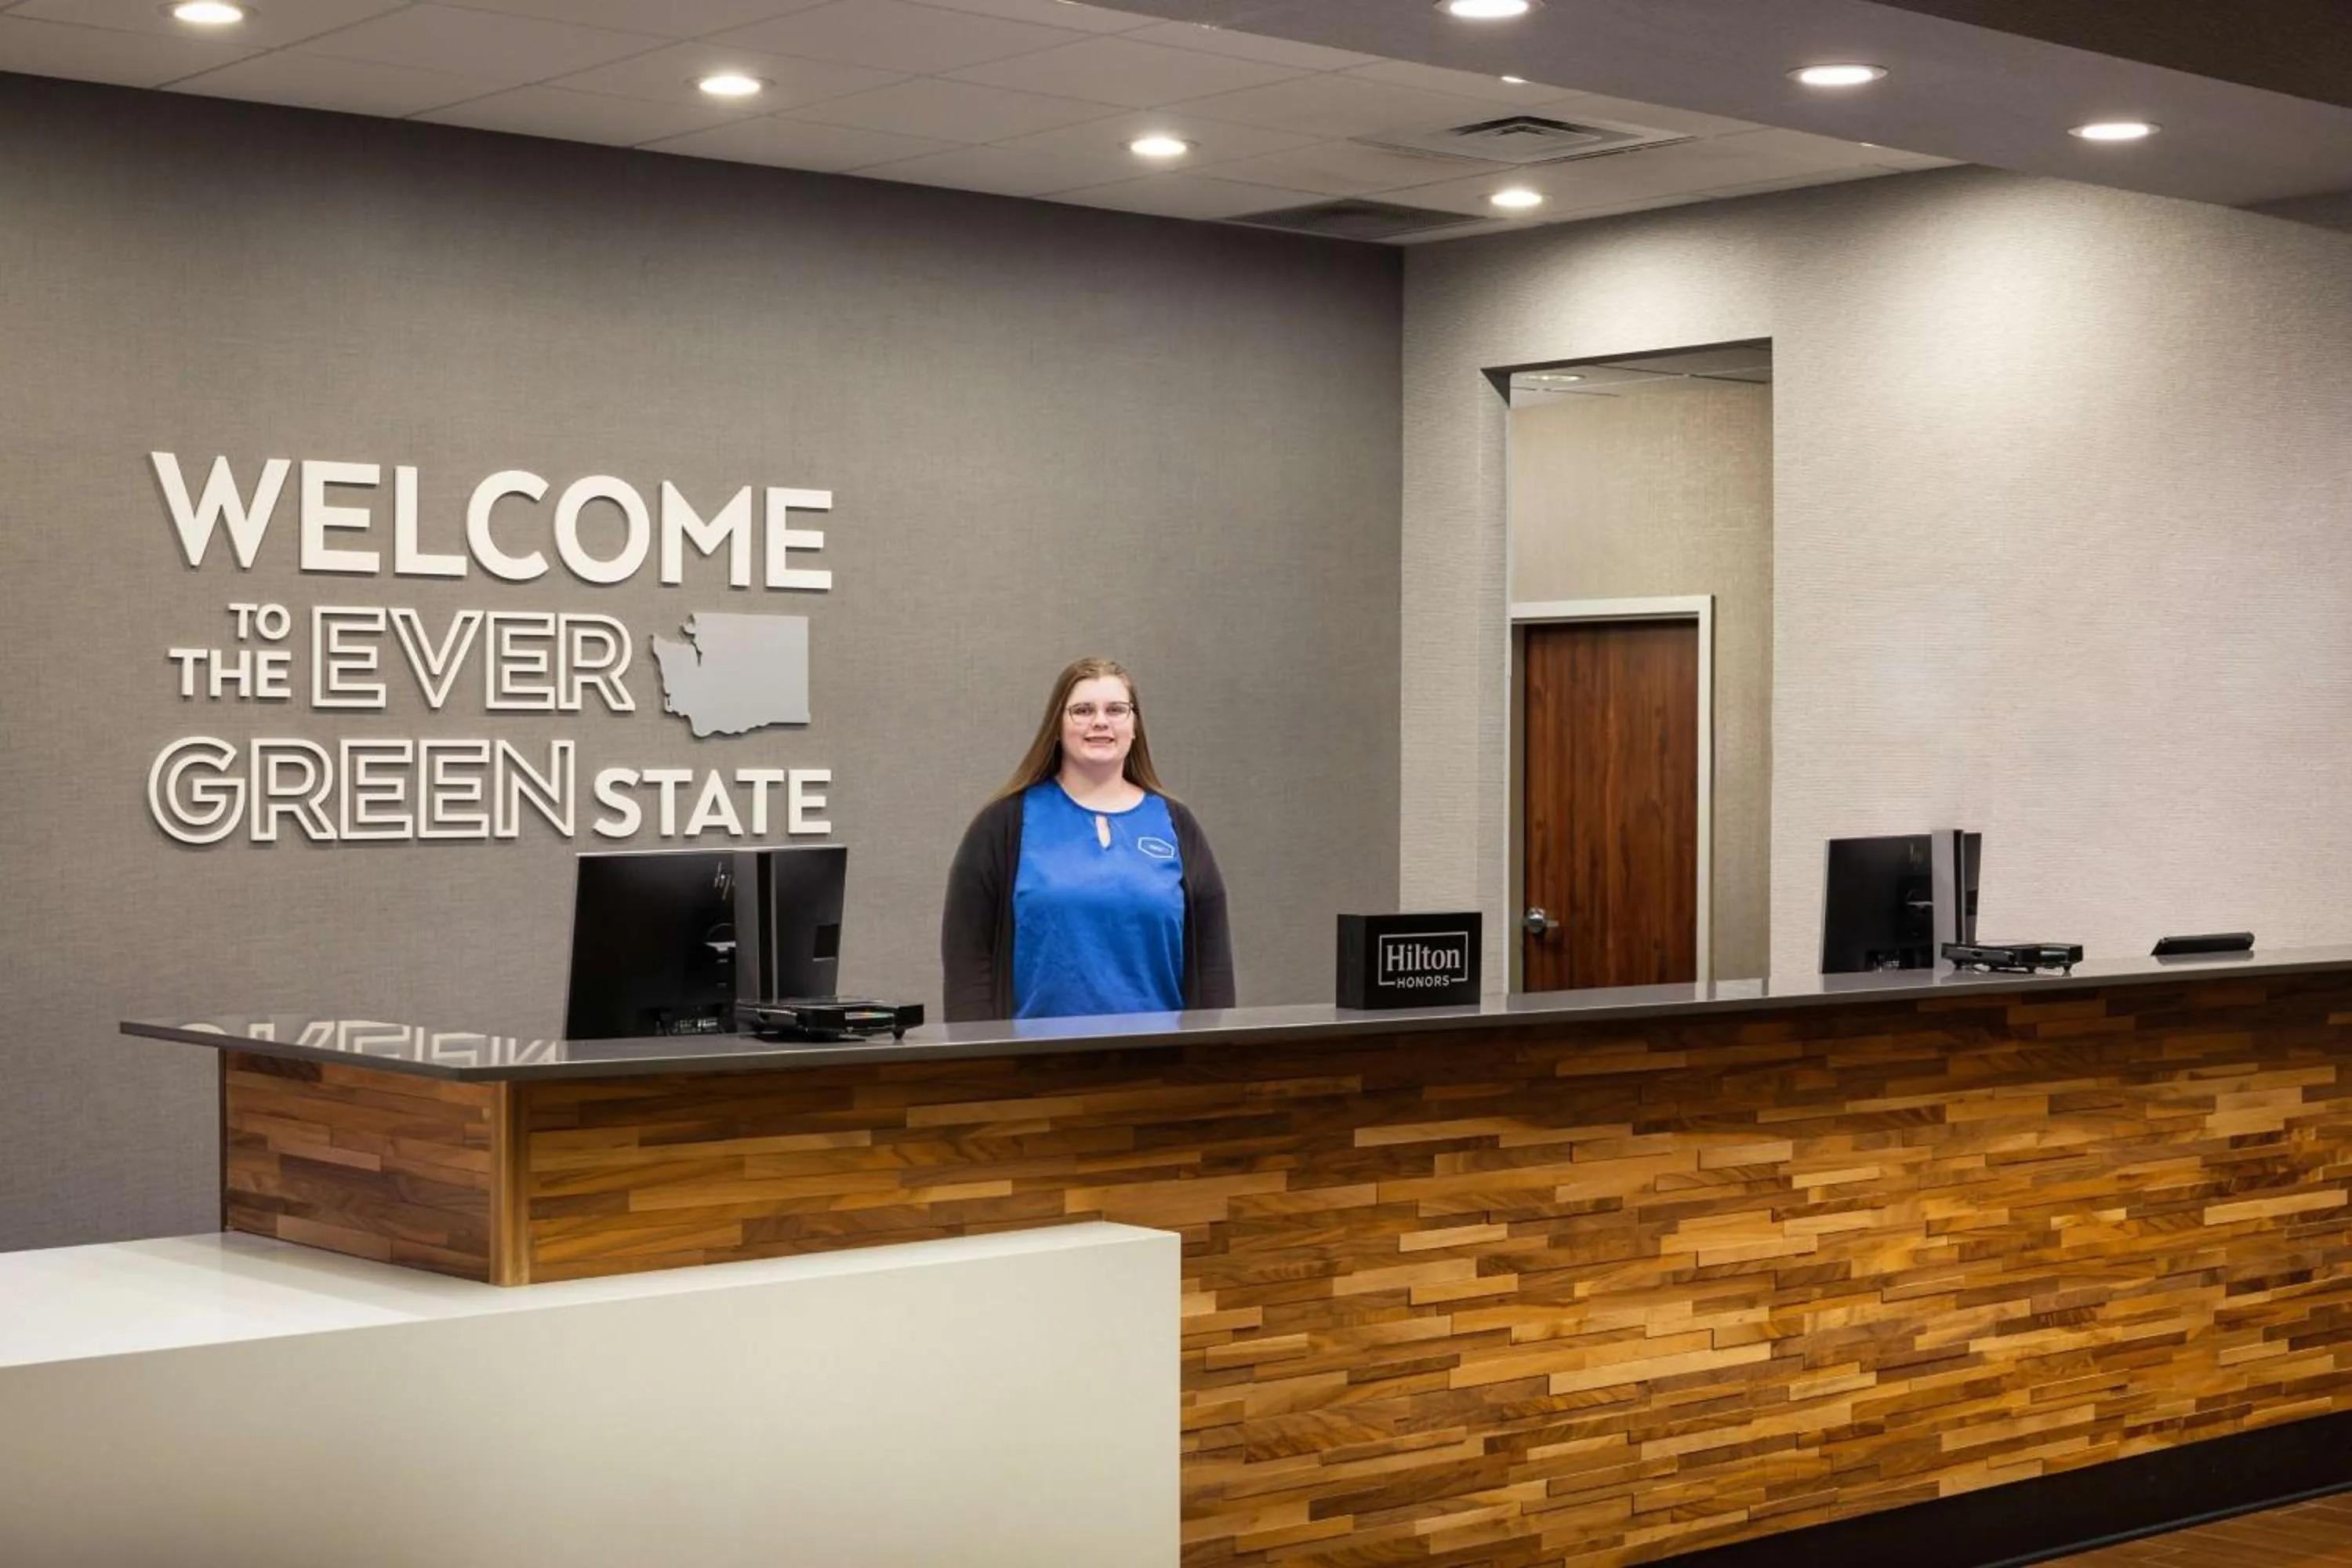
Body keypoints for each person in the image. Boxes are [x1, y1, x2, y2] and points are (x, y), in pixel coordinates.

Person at [942, 657, 1234, 1022]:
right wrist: (979, 1050)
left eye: (1116, 710)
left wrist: (1211, 1049)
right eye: (1082, 710)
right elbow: (968, 964)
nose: (1100, 722)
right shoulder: (1002, 825)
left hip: (1160, 1055)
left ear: (1135, 726)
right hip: (1036, 1055)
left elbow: (1213, 968)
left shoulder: (1177, 824)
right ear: (1057, 726)